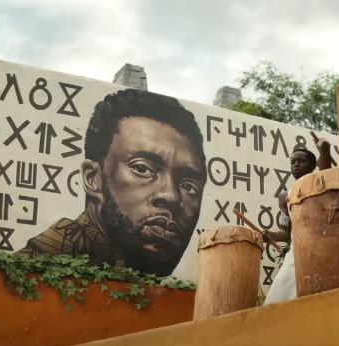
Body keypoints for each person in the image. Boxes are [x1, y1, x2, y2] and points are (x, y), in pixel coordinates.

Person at [20, 89, 207, 277]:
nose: (172, 196)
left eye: (189, 186)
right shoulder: (30, 276)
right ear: (92, 178)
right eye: (142, 169)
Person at [262, 137, 333, 304]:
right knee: (277, 298)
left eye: (301, 161)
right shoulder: (284, 197)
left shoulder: (318, 183)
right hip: (296, 252)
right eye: (293, 162)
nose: (296, 164)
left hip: (322, 248)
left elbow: (325, 172)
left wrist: (324, 149)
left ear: (312, 165)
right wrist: (270, 235)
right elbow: (285, 233)